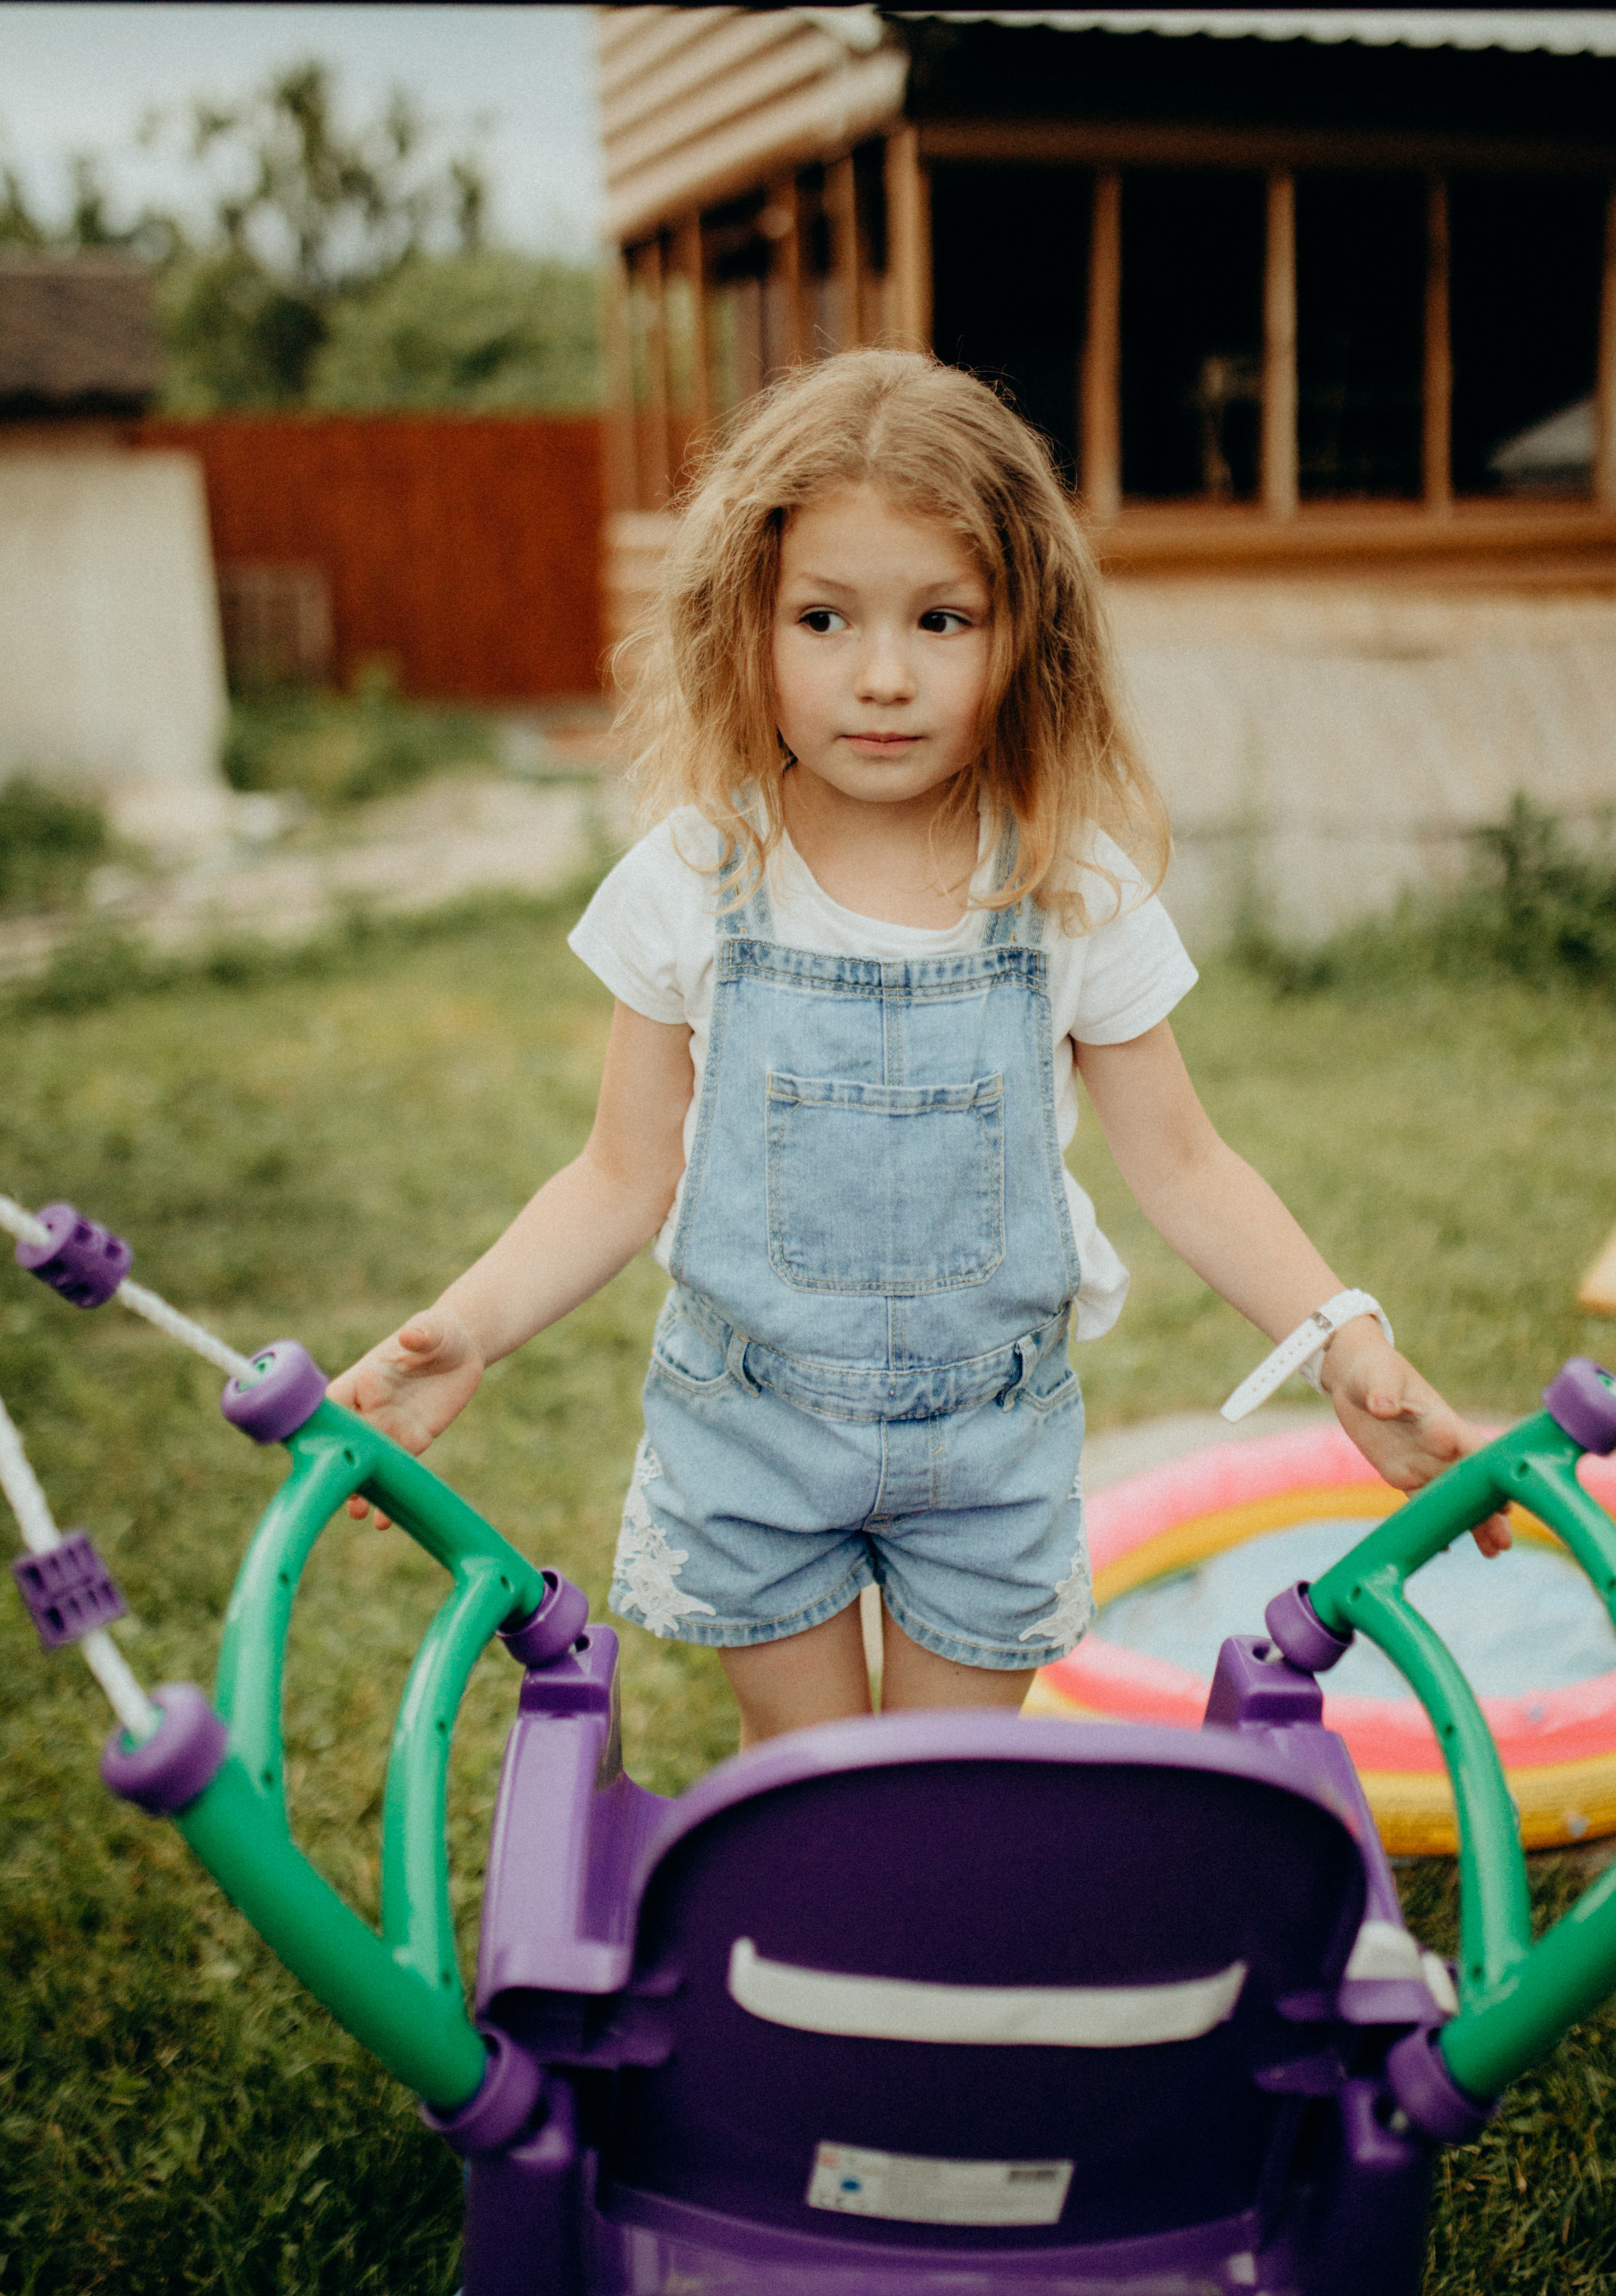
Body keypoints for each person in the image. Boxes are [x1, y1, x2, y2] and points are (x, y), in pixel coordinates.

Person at [330, 349, 1506, 1749]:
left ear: (1024, 635)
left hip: (986, 1457)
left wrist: (1341, 1339)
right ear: (744, 626)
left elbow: (1186, 1168)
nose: (881, 677)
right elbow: (616, 1174)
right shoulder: (695, 876)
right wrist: (467, 1329)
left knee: (942, 1786)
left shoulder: (1068, 886)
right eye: (823, 618)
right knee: (819, 1785)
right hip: (752, 1434)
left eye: (941, 620)